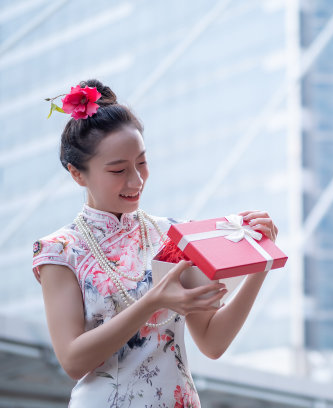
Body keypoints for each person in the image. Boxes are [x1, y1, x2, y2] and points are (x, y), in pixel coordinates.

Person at [32, 79, 279, 407]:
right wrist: (151, 302)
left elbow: (212, 343)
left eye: (142, 162)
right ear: (78, 174)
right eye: (118, 170)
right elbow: (73, 361)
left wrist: (260, 262)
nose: (136, 180)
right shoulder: (60, 250)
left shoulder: (174, 235)